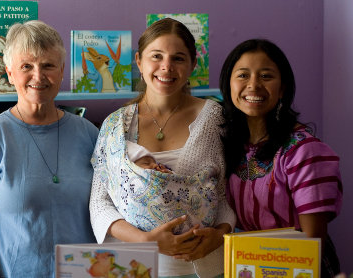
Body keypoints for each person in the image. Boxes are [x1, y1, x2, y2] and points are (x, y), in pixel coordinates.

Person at [90, 18, 236, 278]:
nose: (166, 67)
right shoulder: (114, 125)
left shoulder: (214, 119)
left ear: (192, 64)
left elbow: (225, 196)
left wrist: (219, 235)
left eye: (178, 58)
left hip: (203, 268)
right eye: (156, 56)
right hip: (133, 267)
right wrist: (146, 241)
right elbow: (100, 205)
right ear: (139, 61)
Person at [0, 20, 99, 278]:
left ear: (62, 71)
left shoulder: (90, 134)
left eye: (48, 65)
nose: (38, 76)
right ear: (10, 73)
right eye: (27, 66)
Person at [219, 38, 343, 278]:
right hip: (248, 265)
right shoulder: (229, 143)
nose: (253, 85)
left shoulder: (303, 151)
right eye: (243, 75)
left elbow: (311, 242)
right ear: (229, 84)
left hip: (299, 267)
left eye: (266, 76)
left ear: (283, 87)